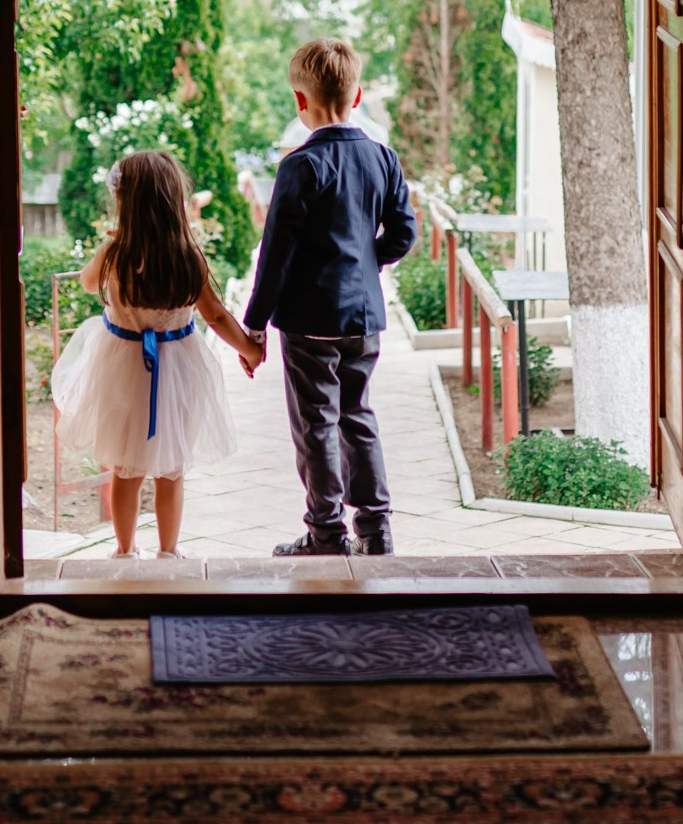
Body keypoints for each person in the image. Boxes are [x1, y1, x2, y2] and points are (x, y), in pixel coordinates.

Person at [243, 38, 418, 556]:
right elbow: (404, 234)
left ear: (300, 101)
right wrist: (365, 262)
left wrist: (254, 326)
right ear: (357, 96)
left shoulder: (300, 165)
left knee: (316, 424)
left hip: (309, 318)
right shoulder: (383, 158)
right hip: (364, 316)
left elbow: (275, 254)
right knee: (357, 416)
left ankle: (326, 533)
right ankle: (376, 529)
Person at [50, 151, 261, 558]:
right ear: (173, 200)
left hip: (122, 367)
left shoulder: (114, 254)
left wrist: (108, 246)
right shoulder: (187, 255)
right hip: (178, 367)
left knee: (125, 470)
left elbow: (87, 283)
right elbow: (216, 315)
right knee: (172, 469)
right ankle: (169, 550)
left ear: (124, 202)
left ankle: (125, 550)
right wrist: (249, 349)